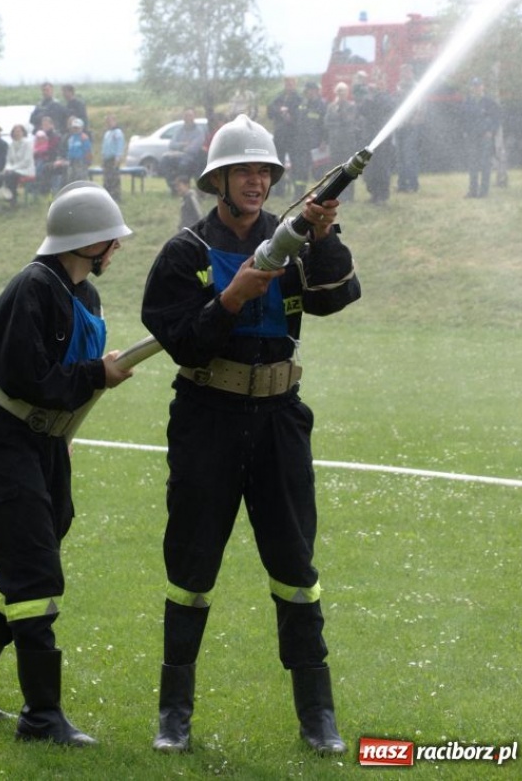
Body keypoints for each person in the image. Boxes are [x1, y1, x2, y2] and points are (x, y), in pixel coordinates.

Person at [141, 114, 361, 757]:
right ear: (219, 180)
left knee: (296, 567)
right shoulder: (185, 252)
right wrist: (231, 298)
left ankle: (317, 715)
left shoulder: (292, 239)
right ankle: (173, 715)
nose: (258, 182)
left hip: (280, 421)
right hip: (207, 417)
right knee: (191, 566)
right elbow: (178, 338)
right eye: (245, 172)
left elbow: (336, 297)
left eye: (265, 172)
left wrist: (326, 235)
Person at [0, 183, 134, 747]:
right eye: (111, 242)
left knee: (25, 567)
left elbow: (63, 379)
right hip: (7, 443)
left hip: (48, 443)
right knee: (35, 575)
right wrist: (96, 375)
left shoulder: (86, 296)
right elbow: (22, 374)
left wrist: (68, 419)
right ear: (89, 242)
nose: (115, 251)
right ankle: (42, 717)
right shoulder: (33, 287)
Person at [357, 78, 396, 204]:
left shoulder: (387, 98)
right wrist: (368, 96)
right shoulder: (368, 98)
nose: (377, 86)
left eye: (380, 83)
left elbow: (385, 107)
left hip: (383, 139)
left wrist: (374, 97)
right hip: (369, 136)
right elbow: (361, 110)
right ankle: (373, 193)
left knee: (382, 166)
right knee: (370, 167)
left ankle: (382, 195)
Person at [462, 77, 501, 198]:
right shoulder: (467, 102)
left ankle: (484, 191)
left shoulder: (489, 102)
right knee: (472, 164)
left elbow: (497, 118)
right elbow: (463, 118)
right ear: (471, 88)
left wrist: (491, 131)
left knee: (485, 164)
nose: (476, 88)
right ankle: (472, 190)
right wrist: (465, 131)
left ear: (483, 87)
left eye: (478, 85)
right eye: (474, 86)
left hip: (485, 136)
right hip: (472, 136)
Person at [324, 83, 359, 201]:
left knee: (348, 168)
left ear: (347, 93)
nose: (341, 94)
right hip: (334, 142)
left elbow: (349, 120)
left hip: (347, 143)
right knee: (334, 168)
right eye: (339, 91)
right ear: (335, 92)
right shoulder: (331, 107)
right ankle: (334, 194)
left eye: (343, 91)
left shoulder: (351, 106)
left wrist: (341, 111)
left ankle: (348, 196)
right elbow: (327, 123)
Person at [267, 77, 302, 193]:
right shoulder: (279, 97)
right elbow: (270, 110)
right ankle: (279, 190)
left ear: (295, 84)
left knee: (295, 164)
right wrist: (280, 110)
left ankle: (297, 190)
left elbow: (300, 115)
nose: (289, 85)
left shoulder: (298, 99)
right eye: (287, 83)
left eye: (291, 83)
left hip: (293, 136)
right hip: (279, 136)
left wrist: (290, 116)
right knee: (278, 163)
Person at [158, 110, 206, 192]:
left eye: (190, 116)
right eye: (186, 116)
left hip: (192, 158)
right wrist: (182, 145)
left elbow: (193, 149)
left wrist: (181, 147)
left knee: (184, 164)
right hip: (177, 155)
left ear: (193, 118)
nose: (188, 118)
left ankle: (183, 187)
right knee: (164, 161)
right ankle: (173, 186)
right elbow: (172, 144)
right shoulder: (179, 130)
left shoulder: (199, 131)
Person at [394, 64, 424, 193]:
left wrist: (413, 121)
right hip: (400, 126)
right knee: (400, 156)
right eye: (402, 72)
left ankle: (413, 184)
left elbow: (420, 107)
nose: (404, 74)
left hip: (412, 126)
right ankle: (402, 184)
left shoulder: (416, 87)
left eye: (407, 71)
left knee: (409, 155)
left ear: (411, 72)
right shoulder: (399, 87)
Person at [293, 81, 327, 186]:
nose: (310, 93)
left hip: (316, 143)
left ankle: (321, 196)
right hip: (302, 143)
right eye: (307, 91)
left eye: (312, 90)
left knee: (318, 172)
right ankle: (298, 195)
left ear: (317, 91)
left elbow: (325, 126)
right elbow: (297, 122)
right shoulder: (302, 104)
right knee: (301, 170)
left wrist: (324, 141)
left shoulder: (322, 105)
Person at [0, 124, 35, 203]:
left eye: (19, 131)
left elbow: (26, 161)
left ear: (23, 132)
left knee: (10, 176)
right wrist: (6, 169)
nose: (17, 133)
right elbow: (8, 160)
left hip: (26, 170)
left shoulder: (27, 144)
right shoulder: (11, 144)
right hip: (13, 169)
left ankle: (12, 199)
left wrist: (12, 169)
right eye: (15, 132)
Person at [100, 113, 125, 202]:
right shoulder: (107, 133)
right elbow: (104, 146)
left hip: (113, 158)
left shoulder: (118, 132)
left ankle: (116, 197)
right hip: (106, 159)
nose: (108, 123)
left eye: (110, 121)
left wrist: (118, 157)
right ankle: (107, 196)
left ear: (114, 121)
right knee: (107, 178)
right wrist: (102, 156)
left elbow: (120, 145)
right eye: (107, 122)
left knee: (114, 178)